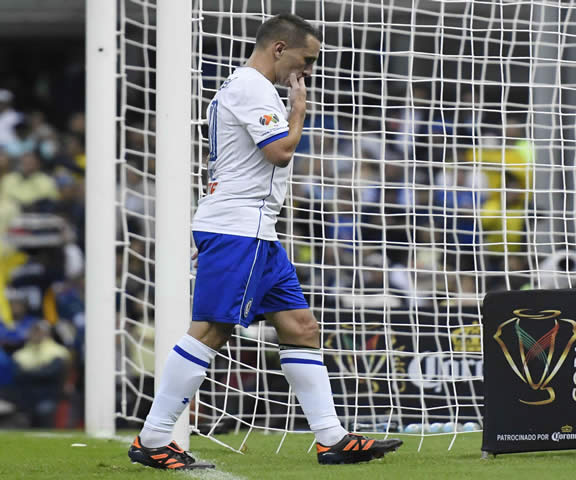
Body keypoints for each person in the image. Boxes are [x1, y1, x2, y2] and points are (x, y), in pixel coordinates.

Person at [128, 14, 402, 470]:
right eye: (306, 60)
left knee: (300, 327)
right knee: (213, 329)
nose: (309, 71)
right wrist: (298, 110)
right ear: (279, 49)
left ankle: (331, 437)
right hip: (240, 228)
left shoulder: (242, 88)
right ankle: (154, 437)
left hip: (251, 229)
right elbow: (279, 152)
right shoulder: (254, 89)